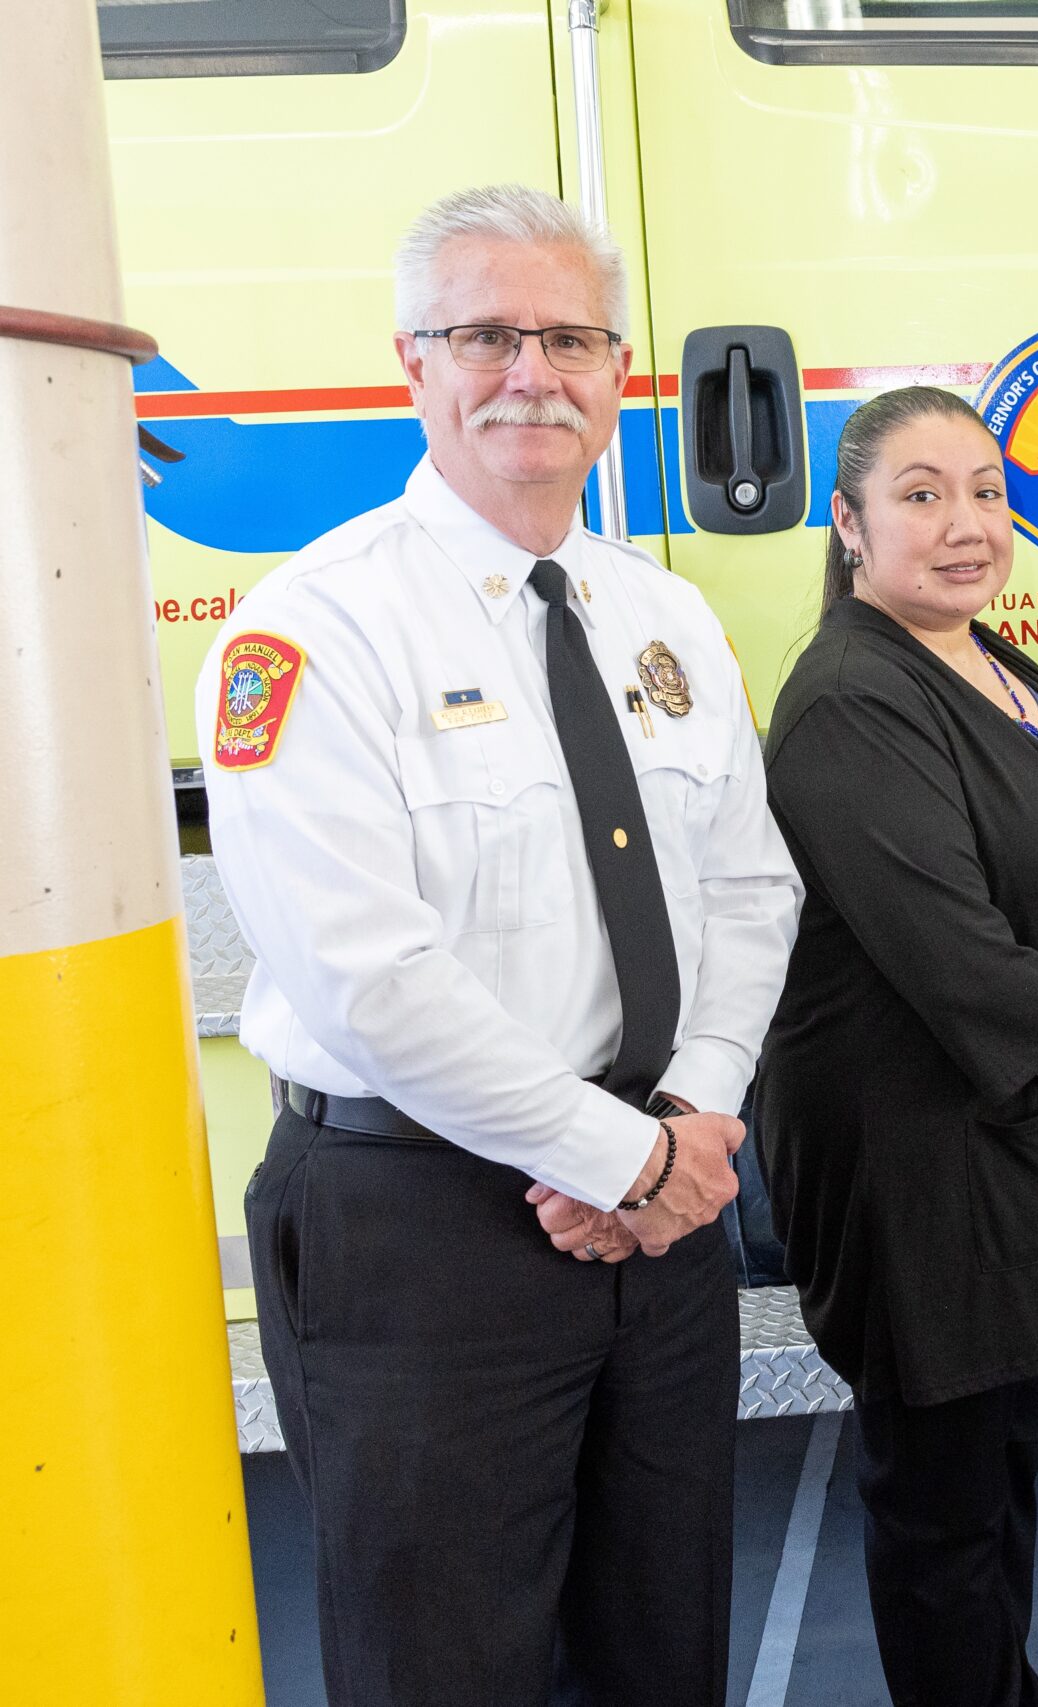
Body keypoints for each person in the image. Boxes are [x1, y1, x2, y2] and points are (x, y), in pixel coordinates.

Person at [198, 184, 801, 1705]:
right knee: (441, 1674)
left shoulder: (665, 620)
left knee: (661, 1656)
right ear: (412, 363)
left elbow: (751, 889)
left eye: (571, 337)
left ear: (618, 376)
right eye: (487, 335)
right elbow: (367, 975)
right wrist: (623, 1162)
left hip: (661, 1223)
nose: (531, 371)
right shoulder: (312, 633)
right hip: (422, 1234)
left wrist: (684, 1126)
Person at [756, 385, 1038, 1707]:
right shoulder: (849, 698)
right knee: (945, 1511)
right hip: (921, 1170)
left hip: (1025, 1147)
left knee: (1008, 1466)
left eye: (988, 492)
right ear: (848, 526)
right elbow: (960, 962)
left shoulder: (989, 659)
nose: (967, 525)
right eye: (921, 495)